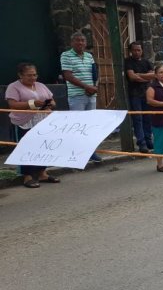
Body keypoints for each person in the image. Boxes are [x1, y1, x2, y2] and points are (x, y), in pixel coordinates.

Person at [5, 63, 60, 188]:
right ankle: (27, 176)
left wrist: (50, 104)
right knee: (26, 148)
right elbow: (13, 104)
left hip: (44, 120)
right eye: (29, 75)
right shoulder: (13, 87)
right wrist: (32, 104)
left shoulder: (40, 85)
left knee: (44, 147)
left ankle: (42, 173)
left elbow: (53, 100)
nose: (33, 78)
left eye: (35, 75)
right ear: (20, 75)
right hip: (24, 121)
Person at [60, 31, 102, 162]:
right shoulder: (66, 55)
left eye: (82, 40)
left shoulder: (89, 56)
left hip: (91, 94)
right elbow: (68, 76)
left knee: (90, 126)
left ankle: (91, 152)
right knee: (77, 126)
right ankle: (76, 153)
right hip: (76, 95)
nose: (80, 43)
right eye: (77, 40)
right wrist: (86, 87)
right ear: (72, 42)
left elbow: (95, 73)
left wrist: (95, 86)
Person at [124, 41, 155, 153]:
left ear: (142, 50)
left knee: (148, 118)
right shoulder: (128, 62)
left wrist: (139, 75)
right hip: (135, 94)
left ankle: (148, 140)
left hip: (147, 93)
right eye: (134, 50)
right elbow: (132, 77)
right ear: (130, 51)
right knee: (138, 119)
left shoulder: (146, 62)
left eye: (139, 50)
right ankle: (141, 143)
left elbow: (153, 75)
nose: (137, 52)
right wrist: (145, 77)